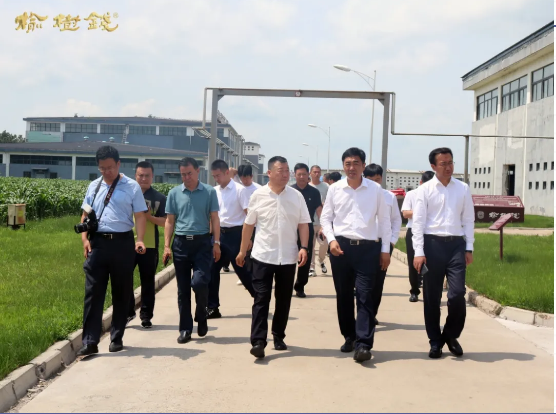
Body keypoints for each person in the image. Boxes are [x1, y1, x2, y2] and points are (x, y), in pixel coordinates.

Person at [320, 147, 391, 363]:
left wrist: (385, 250)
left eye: (356, 163)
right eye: (348, 164)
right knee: (343, 296)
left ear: (363, 165)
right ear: (343, 166)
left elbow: (384, 221)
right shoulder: (335, 189)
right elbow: (326, 218)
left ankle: (364, 344)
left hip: (368, 249)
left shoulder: (375, 190)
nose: (352, 168)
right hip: (340, 248)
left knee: (365, 295)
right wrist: (331, 240)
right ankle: (349, 337)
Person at [236, 156, 310, 359]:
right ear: (269, 173)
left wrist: (304, 247)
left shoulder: (296, 196)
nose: (285, 174)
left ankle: (278, 335)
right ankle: (258, 341)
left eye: (287, 170)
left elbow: (303, 224)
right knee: (261, 298)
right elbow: (248, 225)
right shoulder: (258, 195)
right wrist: (242, 251)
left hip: (288, 257)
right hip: (263, 255)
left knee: (283, 300)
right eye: (280, 170)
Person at [76, 146, 147, 356]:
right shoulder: (94, 186)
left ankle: (116, 337)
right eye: (102, 168)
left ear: (118, 164)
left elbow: (140, 215)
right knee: (93, 292)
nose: (106, 172)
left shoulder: (132, 187)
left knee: (121, 292)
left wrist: (140, 239)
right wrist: (84, 239)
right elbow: (85, 214)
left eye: (110, 167)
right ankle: (90, 341)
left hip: (122, 243)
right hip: (98, 243)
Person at [412, 147, 475, 359]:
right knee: (432, 297)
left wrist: (469, 247)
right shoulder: (425, 190)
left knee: (457, 294)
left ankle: (450, 335)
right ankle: (435, 341)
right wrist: (419, 252)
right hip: (432, 246)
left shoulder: (462, 188)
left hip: (456, 245)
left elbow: (468, 219)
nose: (448, 167)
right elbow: (418, 223)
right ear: (433, 166)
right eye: (443, 164)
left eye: (450, 163)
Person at [163, 157, 221, 345]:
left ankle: (201, 313)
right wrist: (166, 246)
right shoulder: (174, 193)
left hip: (202, 243)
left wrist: (216, 242)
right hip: (181, 243)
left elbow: (214, 218)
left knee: (200, 282)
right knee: (183, 290)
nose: (186, 177)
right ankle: (185, 329)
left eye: (189, 173)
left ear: (197, 171)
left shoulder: (209, 192)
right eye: (183, 174)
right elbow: (169, 221)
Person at [207, 160, 256, 318]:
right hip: (218, 235)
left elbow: (250, 215)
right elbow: (213, 216)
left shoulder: (240, 190)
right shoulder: (214, 191)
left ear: (227, 173)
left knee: (243, 270)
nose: (216, 179)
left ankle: (259, 299)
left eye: (218, 175)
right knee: (212, 269)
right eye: (214, 176)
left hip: (236, 234)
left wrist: (249, 238)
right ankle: (213, 307)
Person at [127, 161, 167, 329]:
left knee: (148, 282)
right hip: (127, 244)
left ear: (152, 177)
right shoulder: (127, 194)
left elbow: (166, 222)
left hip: (149, 246)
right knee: (124, 279)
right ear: (135, 176)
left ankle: (146, 316)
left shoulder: (159, 198)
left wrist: (149, 217)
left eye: (147, 176)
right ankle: (128, 311)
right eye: (140, 175)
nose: (143, 178)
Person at [363, 164, 402, 324]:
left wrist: (392, 242)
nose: (375, 183)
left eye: (377, 179)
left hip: (383, 245)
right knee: (363, 284)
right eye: (370, 179)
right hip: (364, 245)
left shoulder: (389, 197)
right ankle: (363, 315)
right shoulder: (359, 196)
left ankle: (371, 314)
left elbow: (396, 220)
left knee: (378, 283)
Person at [401, 170, 434, 302]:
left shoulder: (436, 194)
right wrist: (420, 212)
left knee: (432, 263)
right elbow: (405, 213)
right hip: (413, 231)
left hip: (430, 232)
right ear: (421, 183)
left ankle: (429, 292)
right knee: (413, 262)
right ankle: (414, 290)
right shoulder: (412, 194)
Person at [291, 163, 323, 297]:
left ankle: (300, 286)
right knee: (288, 258)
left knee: (305, 258)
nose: (302, 177)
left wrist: (323, 226)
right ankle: (286, 284)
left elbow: (319, 210)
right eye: (299, 174)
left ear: (308, 174)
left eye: (304, 174)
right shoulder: (289, 191)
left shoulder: (314, 192)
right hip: (290, 228)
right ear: (294, 175)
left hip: (307, 228)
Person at [308, 165, 329, 276]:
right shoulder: (307, 187)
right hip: (310, 221)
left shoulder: (326, 187)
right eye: (315, 172)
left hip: (322, 222)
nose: (317, 174)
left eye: (318, 172)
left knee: (324, 244)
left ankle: (321, 260)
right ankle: (312, 268)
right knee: (311, 246)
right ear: (310, 173)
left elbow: (331, 201)